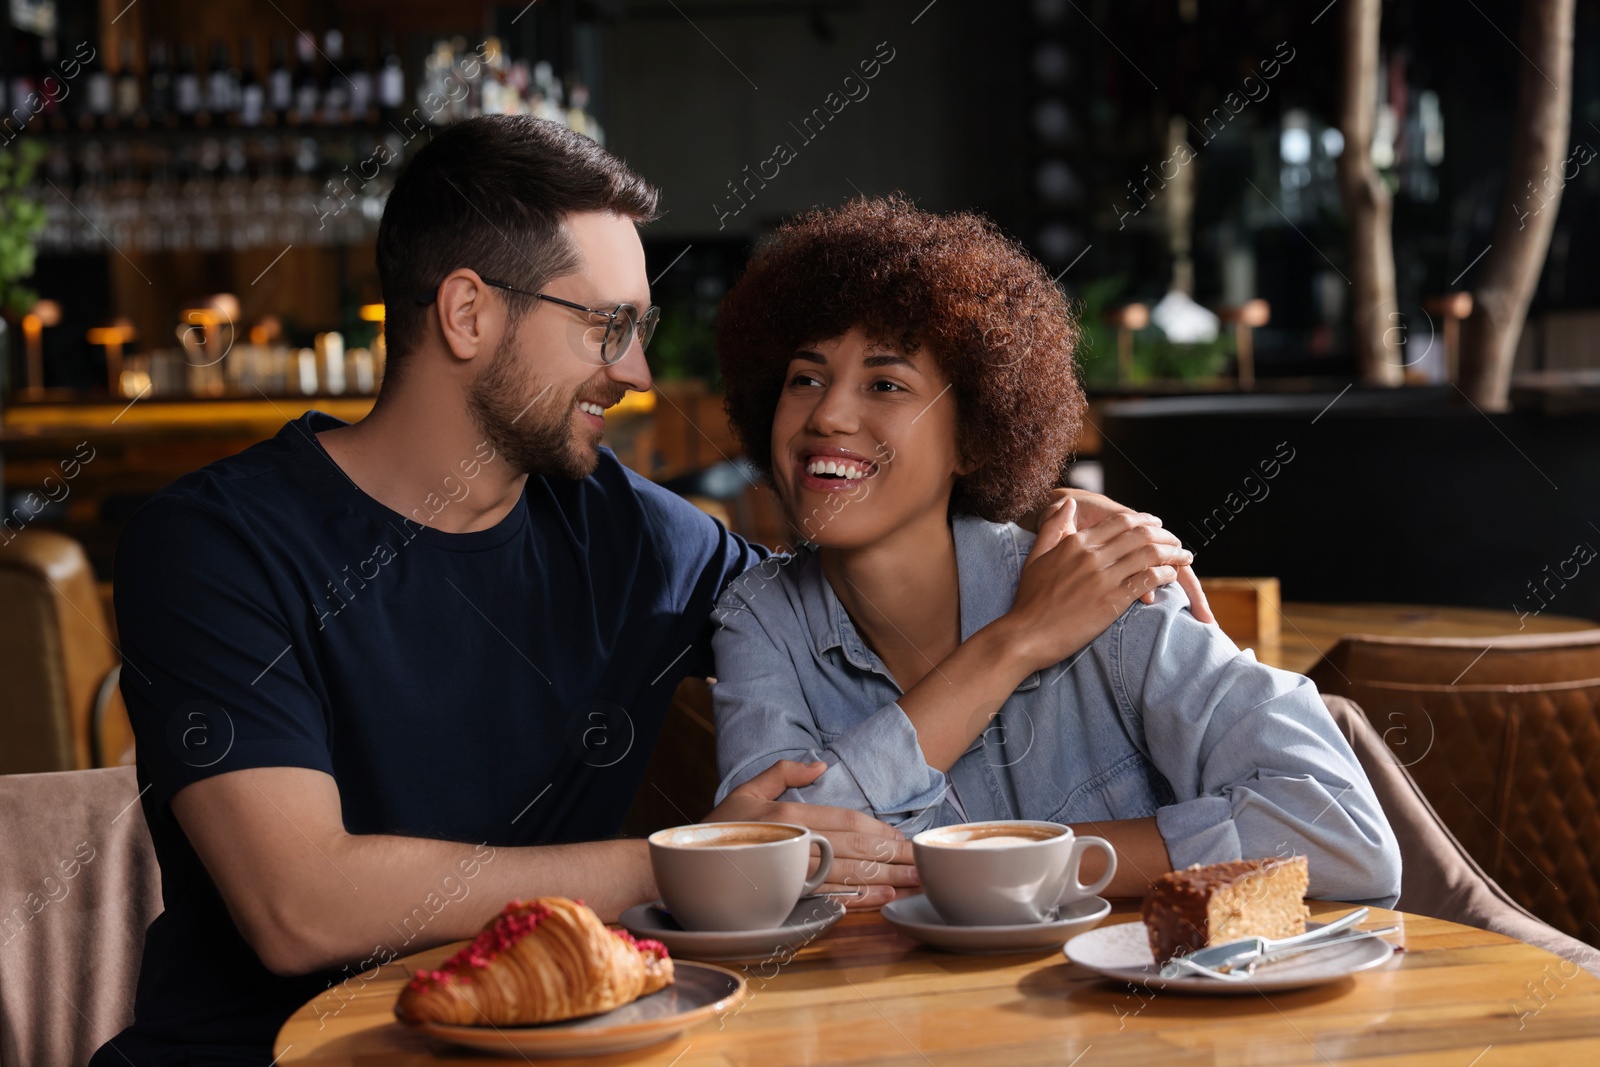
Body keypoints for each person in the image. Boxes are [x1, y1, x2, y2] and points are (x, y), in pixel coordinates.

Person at [93, 120, 1204, 1066]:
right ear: (469, 314)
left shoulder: (633, 537)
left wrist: (1044, 521)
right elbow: (302, 905)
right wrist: (696, 853)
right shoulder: (214, 544)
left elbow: (848, 593)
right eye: (605, 326)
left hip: (566, 1045)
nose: (632, 373)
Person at [710, 197, 1402, 904]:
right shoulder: (761, 615)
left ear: (974, 437)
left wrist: (1007, 865)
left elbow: (1344, 834)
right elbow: (755, 867)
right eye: (805, 378)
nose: (828, 413)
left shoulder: (1101, 577)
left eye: (885, 384)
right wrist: (1016, 640)